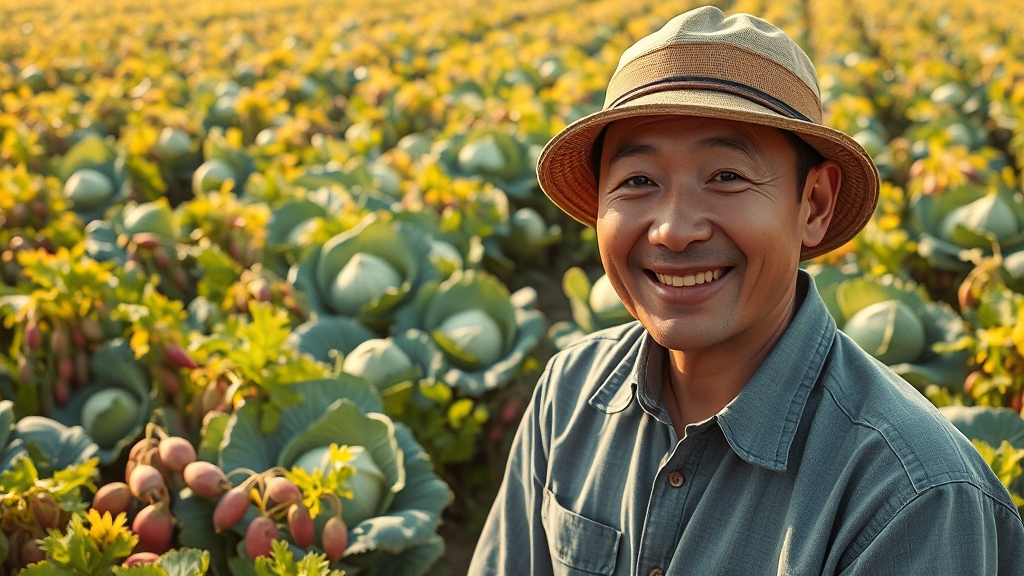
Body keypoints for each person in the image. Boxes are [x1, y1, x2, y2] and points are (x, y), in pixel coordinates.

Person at [468, 5, 1024, 575]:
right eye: (638, 180)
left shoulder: (910, 495)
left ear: (814, 205)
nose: (673, 230)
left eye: (726, 177)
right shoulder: (569, 393)